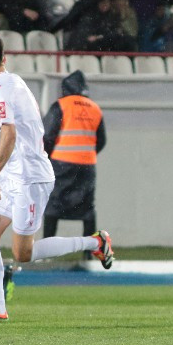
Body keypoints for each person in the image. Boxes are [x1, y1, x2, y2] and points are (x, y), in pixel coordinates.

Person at [0, 36, 115, 320]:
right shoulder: (15, 82)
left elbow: (11, 133)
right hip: (16, 169)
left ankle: (95, 242)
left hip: (29, 177)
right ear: (4, 58)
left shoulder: (0, 89)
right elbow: (20, 134)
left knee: (22, 253)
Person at [41, 70, 105, 239]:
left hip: (61, 165)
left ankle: (47, 251)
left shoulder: (61, 105)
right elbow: (101, 140)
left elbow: (47, 135)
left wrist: (45, 158)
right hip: (87, 167)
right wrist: (85, 154)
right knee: (87, 209)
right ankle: (89, 252)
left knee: (53, 206)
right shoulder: (95, 108)